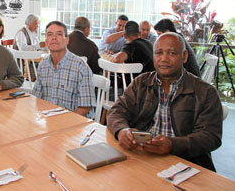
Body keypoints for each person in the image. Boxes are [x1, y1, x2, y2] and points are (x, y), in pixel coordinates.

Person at [107, 33, 222, 171]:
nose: (164, 59)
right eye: (158, 53)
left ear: (184, 57)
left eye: (172, 53)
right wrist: (121, 130)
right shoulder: (141, 82)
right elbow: (116, 111)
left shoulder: (205, 92)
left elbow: (210, 136)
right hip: (141, 157)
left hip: (185, 164)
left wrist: (173, 145)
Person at [32, 21, 95, 117]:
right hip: (47, 120)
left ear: (67, 40)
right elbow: (37, 97)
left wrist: (65, 124)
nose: (54, 38)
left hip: (73, 123)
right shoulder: (43, 65)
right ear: (46, 41)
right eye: (50, 34)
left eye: (59, 34)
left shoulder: (80, 67)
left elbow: (85, 107)